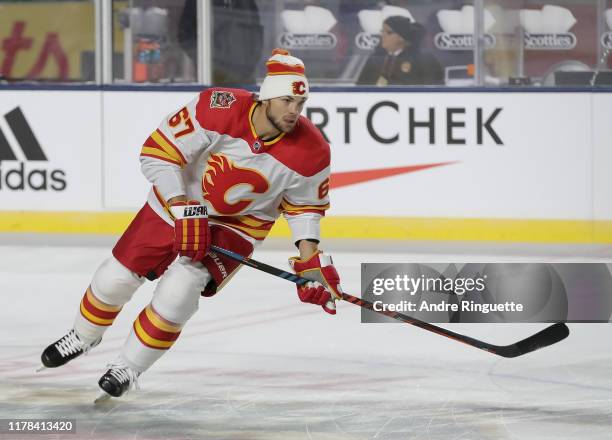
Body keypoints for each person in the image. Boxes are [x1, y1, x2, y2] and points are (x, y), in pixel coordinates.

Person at [39, 48, 343, 400]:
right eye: (287, 100)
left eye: (300, 103)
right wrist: (182, 206)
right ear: (267, 96)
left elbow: (305, 207)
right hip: (177, 201)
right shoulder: (218, 107)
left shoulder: (313, 150)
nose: (294, 111)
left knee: (179, 291)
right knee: (115, 277)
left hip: (238, 226)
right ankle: (83, 335)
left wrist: (310, 260)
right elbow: (157, 155)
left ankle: (129, 367)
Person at [357, 16, 443, 86]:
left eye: (388, 32)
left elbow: (434, 90)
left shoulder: (422, 59)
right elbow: (360, 88)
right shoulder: (375, 59)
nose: (382, 35)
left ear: (402, 37)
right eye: (382, 31)